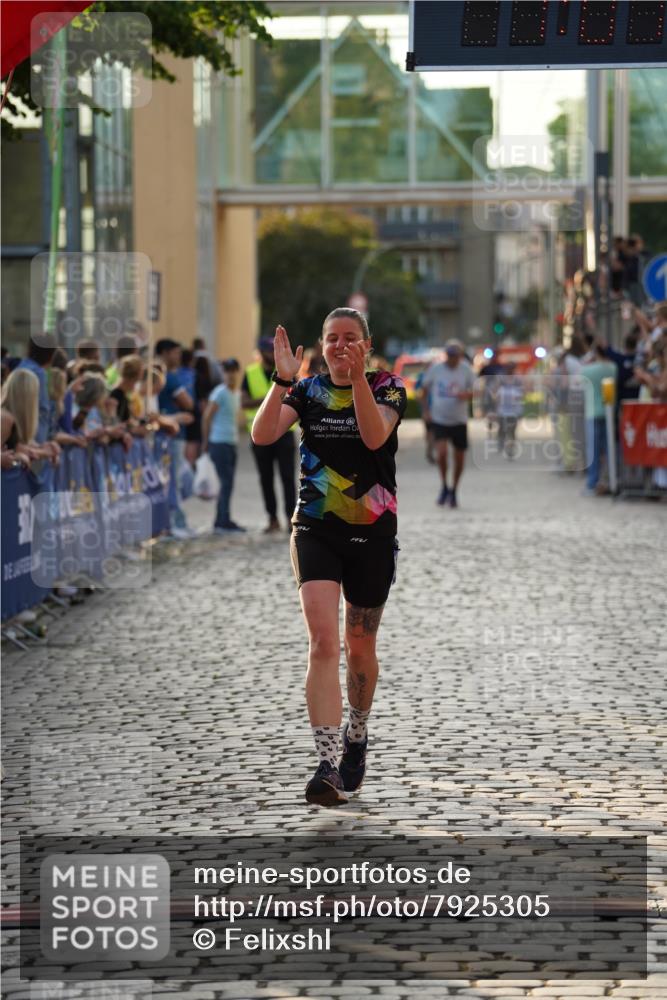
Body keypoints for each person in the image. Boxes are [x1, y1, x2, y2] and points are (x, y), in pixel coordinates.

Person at [252, 308, 407, 808]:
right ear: (320, 345)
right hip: (315, 527)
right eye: (332, 339)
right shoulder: (309, 390)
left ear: (367, 342)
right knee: (322, 643)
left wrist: (358, 379)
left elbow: (373, 437)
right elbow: (263, 434)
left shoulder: (388, 387)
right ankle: (326, 761)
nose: (340, 346)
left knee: (358, 646)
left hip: (372, 534)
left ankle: (356, 735)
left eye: (350, 338)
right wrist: (280, 381)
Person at [242, 335, 297, 533]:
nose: (269, 355)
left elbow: (296, 399)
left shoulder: (287, 371)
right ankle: (272, 518)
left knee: (288, 477)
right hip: (259, 435)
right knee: (266, 477)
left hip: (285, 433)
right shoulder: (250, 373)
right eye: (266, 351)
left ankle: (291, 518)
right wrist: (270, 399)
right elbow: (244, 402)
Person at [420, 340, 475, 508]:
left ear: (460, 356)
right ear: (446, 356)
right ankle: (444, 484)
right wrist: (426, 411)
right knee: (442, 454)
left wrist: (466, 395)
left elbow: (477, 389)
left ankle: (454, 490)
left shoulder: (466, 369)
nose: (453, 359)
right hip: (440, 419)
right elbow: (424, 389)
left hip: (459, 420)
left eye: (456, 356)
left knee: (459, 459)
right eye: (450, 356)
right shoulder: (436, 369)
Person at [156, 338, 195, 537]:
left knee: (176, 480)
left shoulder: (169, 376)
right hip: (170, 435)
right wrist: (180, 414)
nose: (178, 357)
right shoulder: (168, 377)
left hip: (172, 434)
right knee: (175, 480)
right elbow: (187, 402)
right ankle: (174, 522)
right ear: (164, 353)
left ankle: (174, 520)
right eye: (175, 353)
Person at [202, 359, 245, 533]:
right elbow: (207, 417)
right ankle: (222, 521)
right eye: (227, 371)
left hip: (231, 442)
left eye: (233, 370)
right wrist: (206, 441)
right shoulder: (219, 393)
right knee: (225, 483)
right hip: (219, 442)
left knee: (228, 483)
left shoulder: (236, 393)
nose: (230, 374)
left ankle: (223, 518)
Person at [580, 343, 617, 495]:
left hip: (593, 413)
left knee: (593, 451)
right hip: (609, 412)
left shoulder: (588, 370)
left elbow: (581, 371)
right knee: (609, 449)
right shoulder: (613, 367)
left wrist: (589, 359)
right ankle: (610, 480)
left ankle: (592, 483)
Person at [495, 361, 524, 458]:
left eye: (512, 368)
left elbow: (523, 391)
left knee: (512, 430)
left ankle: (510, 448)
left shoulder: (518, 379)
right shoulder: (501, 378)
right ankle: (501, 441)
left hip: (514, 410)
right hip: (502, 410)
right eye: (508, 368)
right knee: (502, 429)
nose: (510, 370)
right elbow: (496, 391)